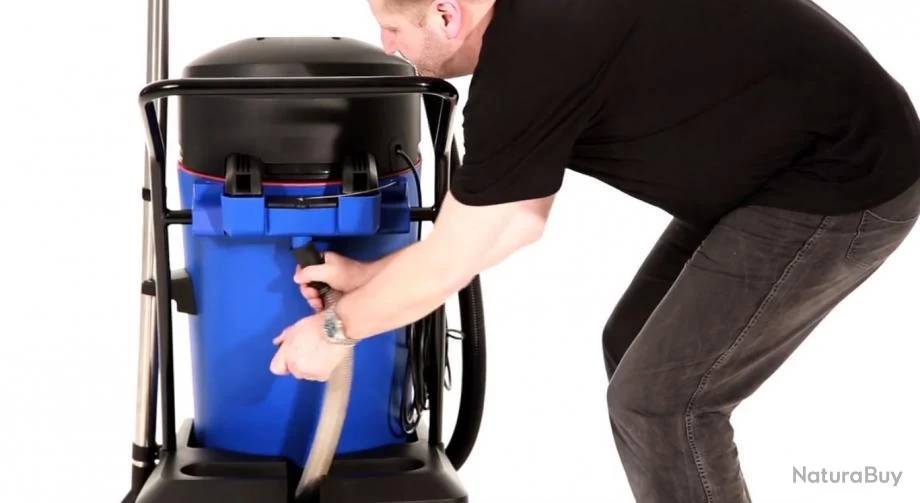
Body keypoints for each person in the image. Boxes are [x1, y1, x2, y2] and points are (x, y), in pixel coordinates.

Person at [269, 0, 920, 501]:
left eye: (393, 29)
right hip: (781, 161)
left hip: (843, 176)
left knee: (660, 402)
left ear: (446, 14)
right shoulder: (532, 32)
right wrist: (371, 275)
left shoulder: (529, 59)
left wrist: (333, 330)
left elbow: (454, 258)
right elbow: (517, 220)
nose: (387, 46)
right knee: (634, 348)